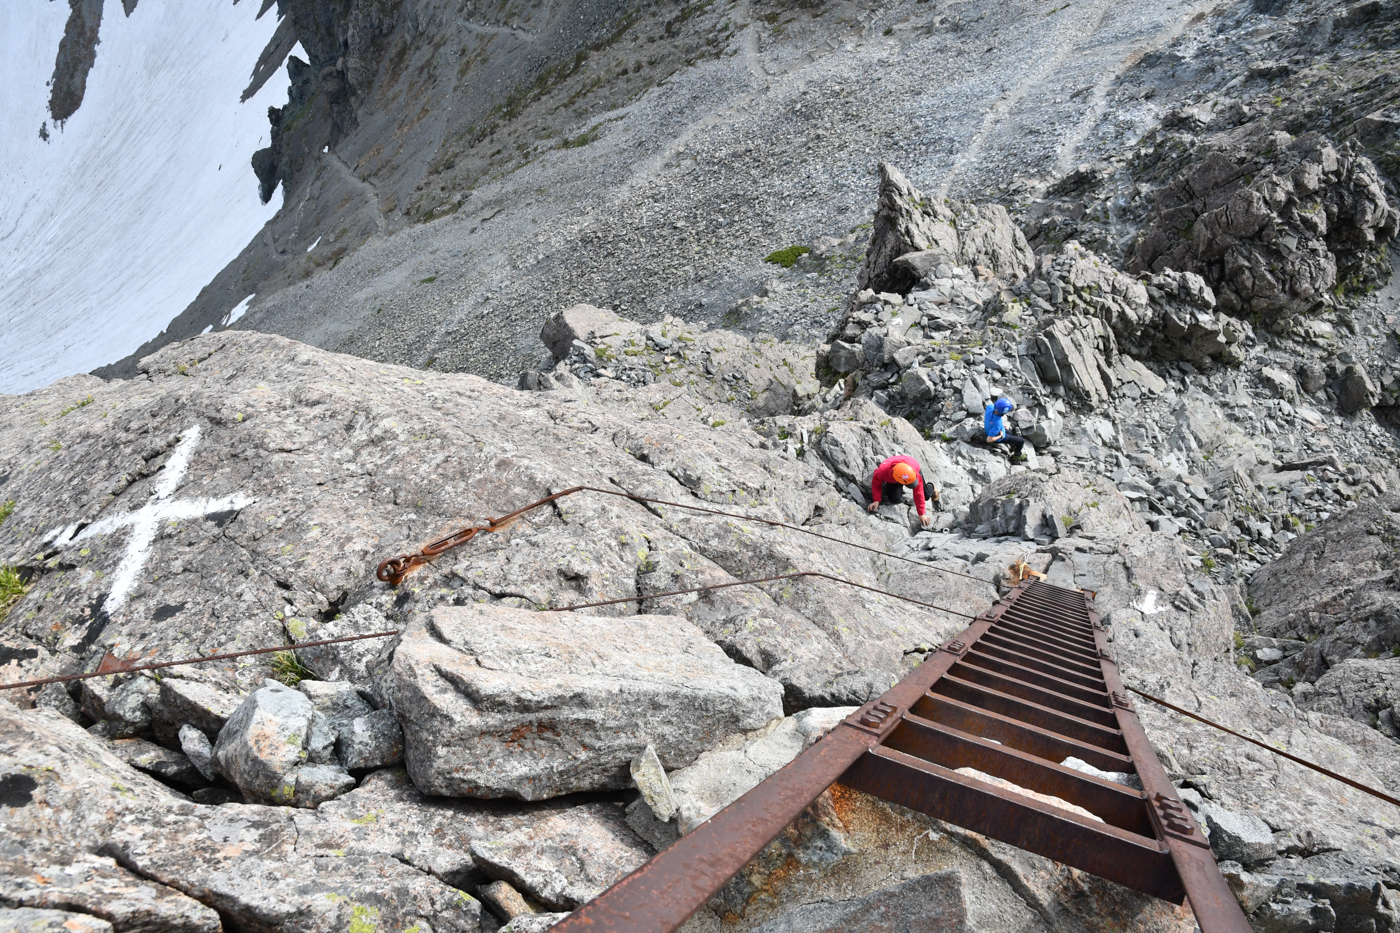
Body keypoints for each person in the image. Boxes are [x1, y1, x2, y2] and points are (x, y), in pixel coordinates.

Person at [867, 455, 938, 528]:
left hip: (909, 464)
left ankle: (931, 486)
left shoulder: (913, 473)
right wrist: (876, 500)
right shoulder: (882, 471)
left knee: (926, 495)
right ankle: (891, 485)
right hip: (894, 475)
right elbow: (876, 484)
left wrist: (921, 514)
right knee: (894, 499)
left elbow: (918, 493)